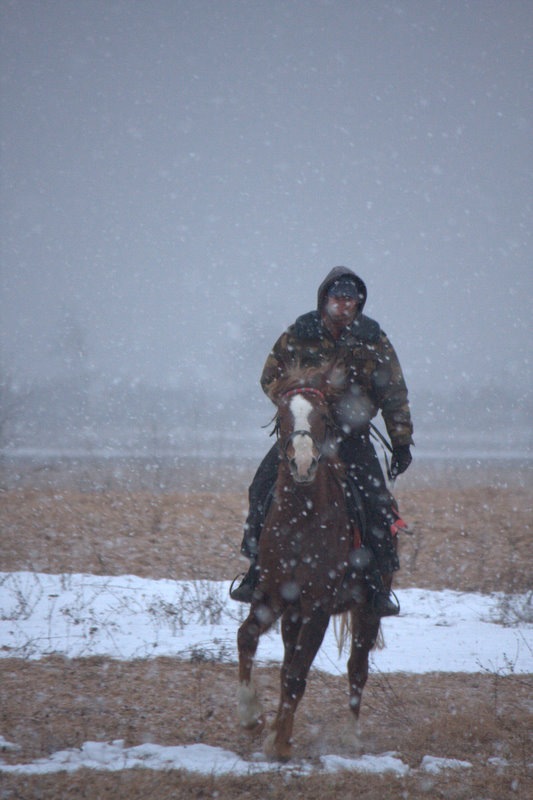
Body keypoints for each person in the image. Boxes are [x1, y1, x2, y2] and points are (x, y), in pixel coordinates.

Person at [230, 266, 413, 617]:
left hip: (352, 437)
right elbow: (269, 376)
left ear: (358, 303)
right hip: (305, 433)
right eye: (337, 297)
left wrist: (401, 440)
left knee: (377, 502)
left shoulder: (373, 338)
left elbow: (394, 392)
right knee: (261, 486)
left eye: (350, 299)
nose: (343, 305)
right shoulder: (300, 333)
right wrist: (297, 405)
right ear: (324, 300)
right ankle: (256, 570)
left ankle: (377, 583)